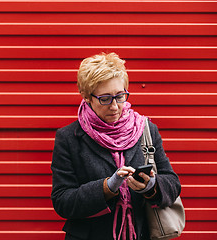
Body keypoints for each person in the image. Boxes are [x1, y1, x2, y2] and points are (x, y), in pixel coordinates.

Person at [51, 52, 181, 240]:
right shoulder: (69, 138)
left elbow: (173, 183)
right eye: (105, 98)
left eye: (120, 96)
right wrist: (107, 187)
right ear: (87, 97)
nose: (114, 106)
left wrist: (151, 186)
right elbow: (62, 201)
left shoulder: (145, 129)